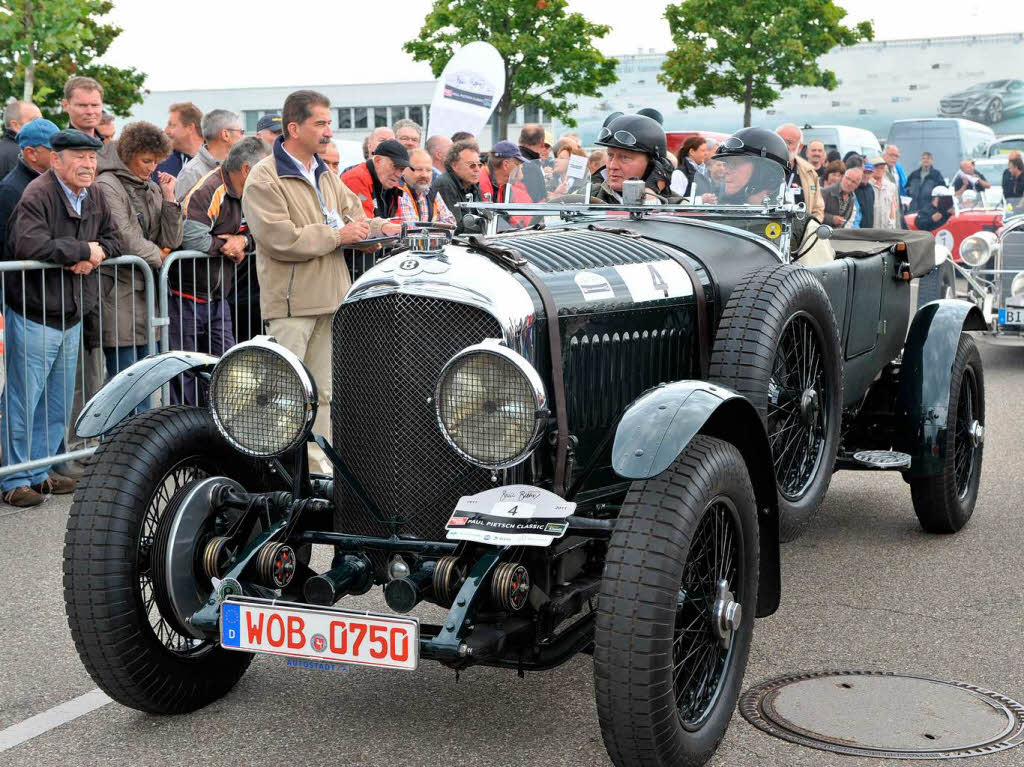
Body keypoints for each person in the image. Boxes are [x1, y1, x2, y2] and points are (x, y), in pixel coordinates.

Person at [241, 90, 399, 475]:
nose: (329, 131)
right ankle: (274, 477)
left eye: (329, 123)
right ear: (294, 128)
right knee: (283, 396)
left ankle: (319, 475)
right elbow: (280, 238)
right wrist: (339, 237)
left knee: (324, 397)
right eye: (321, 123)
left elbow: (353, 215)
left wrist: (385, 228)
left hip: (330, 299)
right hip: (292, 307)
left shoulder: (324, 172)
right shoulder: (265, 177)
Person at [1, 129, 122, 506]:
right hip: (35, 312)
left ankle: (41, 473)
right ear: (57, 160)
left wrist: (92, 253)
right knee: (23, 401)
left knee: (55, 403)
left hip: (71, 314)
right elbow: (28, 244)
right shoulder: (38, 192)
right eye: (78, 158)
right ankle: (14, 480)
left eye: (91, 158)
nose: (88, 165)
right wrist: (81, 250)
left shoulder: (96, 194)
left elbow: (116, 240)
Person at [171, 137, 271, 402]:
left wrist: (242, 241)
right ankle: (187, 431)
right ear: (247, 169)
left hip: (218, 296)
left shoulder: (250, 192)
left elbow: (260, 231)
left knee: (224, 365)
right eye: (263, 169)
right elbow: (192, 238)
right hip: (186, 296)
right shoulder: (208, 190)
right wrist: (225, 245)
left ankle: (218, 428)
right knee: (186, 368)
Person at [94, 122, 182, 382]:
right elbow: (126, 239)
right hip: (119, 296)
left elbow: (172, 239)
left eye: (156, 161)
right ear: (129, 154)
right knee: (125, 386)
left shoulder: (152, 187)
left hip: (147, 297)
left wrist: (169, 198)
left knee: (145, 386)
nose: (152, 168)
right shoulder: (106, 185)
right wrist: (160, 256)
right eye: (146, 160)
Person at [0, 119, 59, 246]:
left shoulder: (56, 180)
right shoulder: (10, 190)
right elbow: (7, 241)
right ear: (31, 153)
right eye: (54, 150)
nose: (59, 155)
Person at [592, 113, 674, 204]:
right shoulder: (585, 197)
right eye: (610, 155)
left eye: (625, 157)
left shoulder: (680, 208)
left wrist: (652, 201)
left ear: (652, 164)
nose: (612, 166)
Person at [175, 110, 244, 202]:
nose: (244, 137)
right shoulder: (192, 173)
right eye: (241, 132)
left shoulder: (238, 167)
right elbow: (184, 213)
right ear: (225, 134)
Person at [341, 139, 410, 218]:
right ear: (378, 160)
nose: (398, 174)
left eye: (402, 169)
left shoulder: (392, 184)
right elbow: (364, 223)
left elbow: (397, 221)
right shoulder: (356, 178)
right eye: (395, 166)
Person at [431, 139, 483, 233]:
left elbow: (482, 217)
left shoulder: (473, 185)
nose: (477, 169)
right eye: (471, 165)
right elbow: (456, 226)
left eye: (479, 165)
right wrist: (484, 228)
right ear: (454, 166)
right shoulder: (445, 184)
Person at [776, 124, 825, 221]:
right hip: (770, 230)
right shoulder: (763, 168)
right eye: (779, 141)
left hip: (800, 231)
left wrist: (810, 228)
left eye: (789, 142)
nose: (783, 145)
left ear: (800, 148)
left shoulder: (809, 172)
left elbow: (818, 208)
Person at [397, 148, 456, 225]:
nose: (424, 175)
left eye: (428, 170)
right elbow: (410, 230)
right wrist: (436, 231)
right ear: (403, 170)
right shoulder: (399, 191)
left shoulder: (431, 191)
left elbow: (451, 224)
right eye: (418, 169)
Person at [157, 102, 204, 178]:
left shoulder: (218, 162)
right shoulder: (161, 163)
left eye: (172, 125)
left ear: (190, 128)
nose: (166, 131)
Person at [0, 100, 42, 179]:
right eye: (35, 120)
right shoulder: (23, 155)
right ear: (15, 125)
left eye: (42, 121)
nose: (42, 125)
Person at [670, 135, 716, 201]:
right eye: (703, 150)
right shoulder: (679, 173)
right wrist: (701, 199)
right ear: (692, 152)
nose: (706, 153)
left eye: (707, 150)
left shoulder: (706, 171)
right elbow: (674, 200)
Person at [517, 123, 549, 202]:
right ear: (542, 141)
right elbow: (534, 200)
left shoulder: (514, 158)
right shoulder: (530, 166)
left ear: (520, 139)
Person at [867, 156, 898, 230]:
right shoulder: (866, 185)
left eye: (882, 167)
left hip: (887, 230)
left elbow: (894, 208)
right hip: (870, 230)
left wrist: (893, 225)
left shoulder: (891, 186)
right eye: (876, 167)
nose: (879, 170)